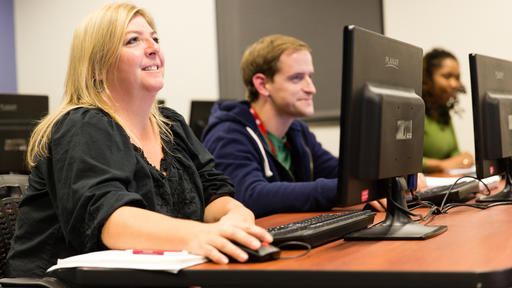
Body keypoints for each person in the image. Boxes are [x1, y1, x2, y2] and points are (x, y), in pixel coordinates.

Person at [6, 2, 272, 278]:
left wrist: (235, 218)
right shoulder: (82, 125)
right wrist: (200, 234)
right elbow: (111, 221)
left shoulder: (171, 125)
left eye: (155, 38)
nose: (153, 47)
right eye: (133, 40)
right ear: (97, 66)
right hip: (58, 283)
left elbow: (213, 194)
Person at [202, 34, 346, 219]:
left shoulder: (297, 131)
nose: (311, 88)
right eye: (296, 78)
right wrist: (341, 190)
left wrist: (365, 181)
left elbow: (340, 172)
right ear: (262, 84)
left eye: (309, 77)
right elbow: (250, 197)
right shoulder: (227, 134)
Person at [421, 48, 474, 173]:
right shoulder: (414, 111)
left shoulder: (442, 111)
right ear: (427, 78)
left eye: (457, 77)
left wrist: (465, 158)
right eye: (447, 76)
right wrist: (441, 165)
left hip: (443, 181)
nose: (455, 84)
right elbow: (402, 160)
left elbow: (453, 152)